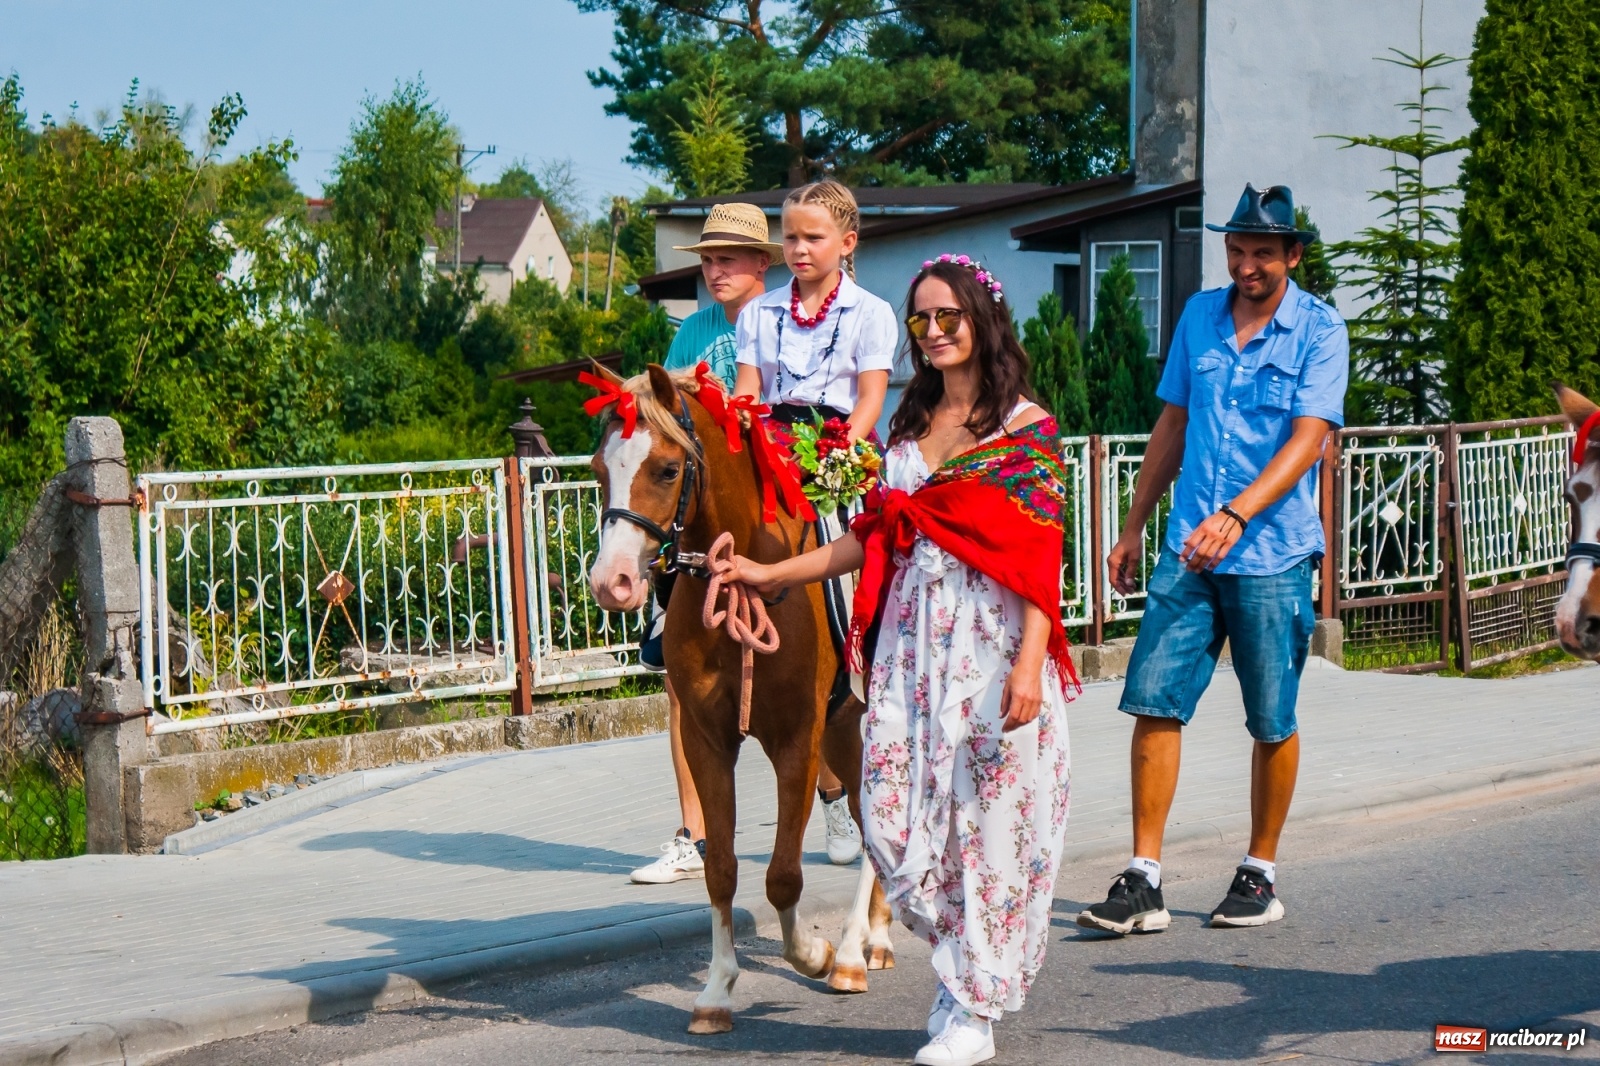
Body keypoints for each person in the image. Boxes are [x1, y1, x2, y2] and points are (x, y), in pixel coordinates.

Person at [728, 255, 1077, 1066]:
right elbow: (872, 534)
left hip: (992, 644)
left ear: (983, 319)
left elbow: (1040, 557)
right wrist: (773, 572)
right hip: (911, 643)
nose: (933, 332)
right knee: (890, 816)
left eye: (948, 316)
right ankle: (960, 977)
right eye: (920, 319)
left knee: (986, 827)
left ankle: (971, 1006)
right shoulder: (910, 425)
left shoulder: (1026, 427)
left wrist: (1030, 666)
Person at [1076, 184, 1348, 936]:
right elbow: (1172, 423)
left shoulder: (1320, 331)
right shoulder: (1200, 315)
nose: (1246, 264)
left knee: (1271, 717)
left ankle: (1259, 871)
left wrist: (1238, 514)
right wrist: (1133, 525)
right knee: (1153, 699)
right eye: (1236, 249)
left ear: (1292, 255)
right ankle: (1144, 878)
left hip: (1273, 554)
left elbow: (1307, 442)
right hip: (1189, 548)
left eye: (1263, 251)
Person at [728, 178, 898, 866]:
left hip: (839, 459)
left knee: (849, 560)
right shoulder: (759, 314)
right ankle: (670, 636)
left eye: (813, 237)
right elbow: (747, 394)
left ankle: (857, 654)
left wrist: (833, 465)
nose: (798, 248)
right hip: (770, 454)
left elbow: (867, 405)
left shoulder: (872, 312)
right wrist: (750, 440)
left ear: (847, 244)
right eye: (790, 237)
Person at [630, 203, 783, 884]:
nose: (715, 270)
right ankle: (691, 836)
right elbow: (664, 411)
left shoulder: (779, 321)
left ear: (761, 263)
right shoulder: (691, 328)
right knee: (679, 681)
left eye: (728, 258)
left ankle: (835, 791)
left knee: (813, 666)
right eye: (708, 259)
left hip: (765, 508)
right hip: (697, 522)